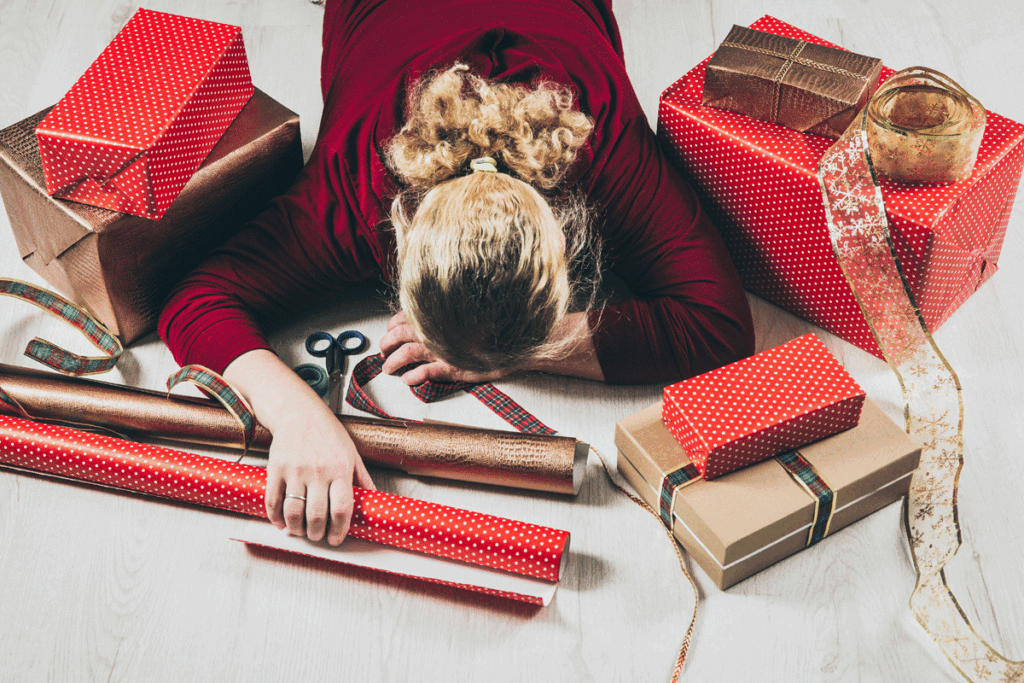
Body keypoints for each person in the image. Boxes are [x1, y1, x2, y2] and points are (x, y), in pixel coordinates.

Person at [158, 0, 755, 547]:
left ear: (567, 231)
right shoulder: (352, 194)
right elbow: (196, 300)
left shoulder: (602, 154)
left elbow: (718, 326)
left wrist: (519, 350)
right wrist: (297, 417)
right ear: (397, 241)